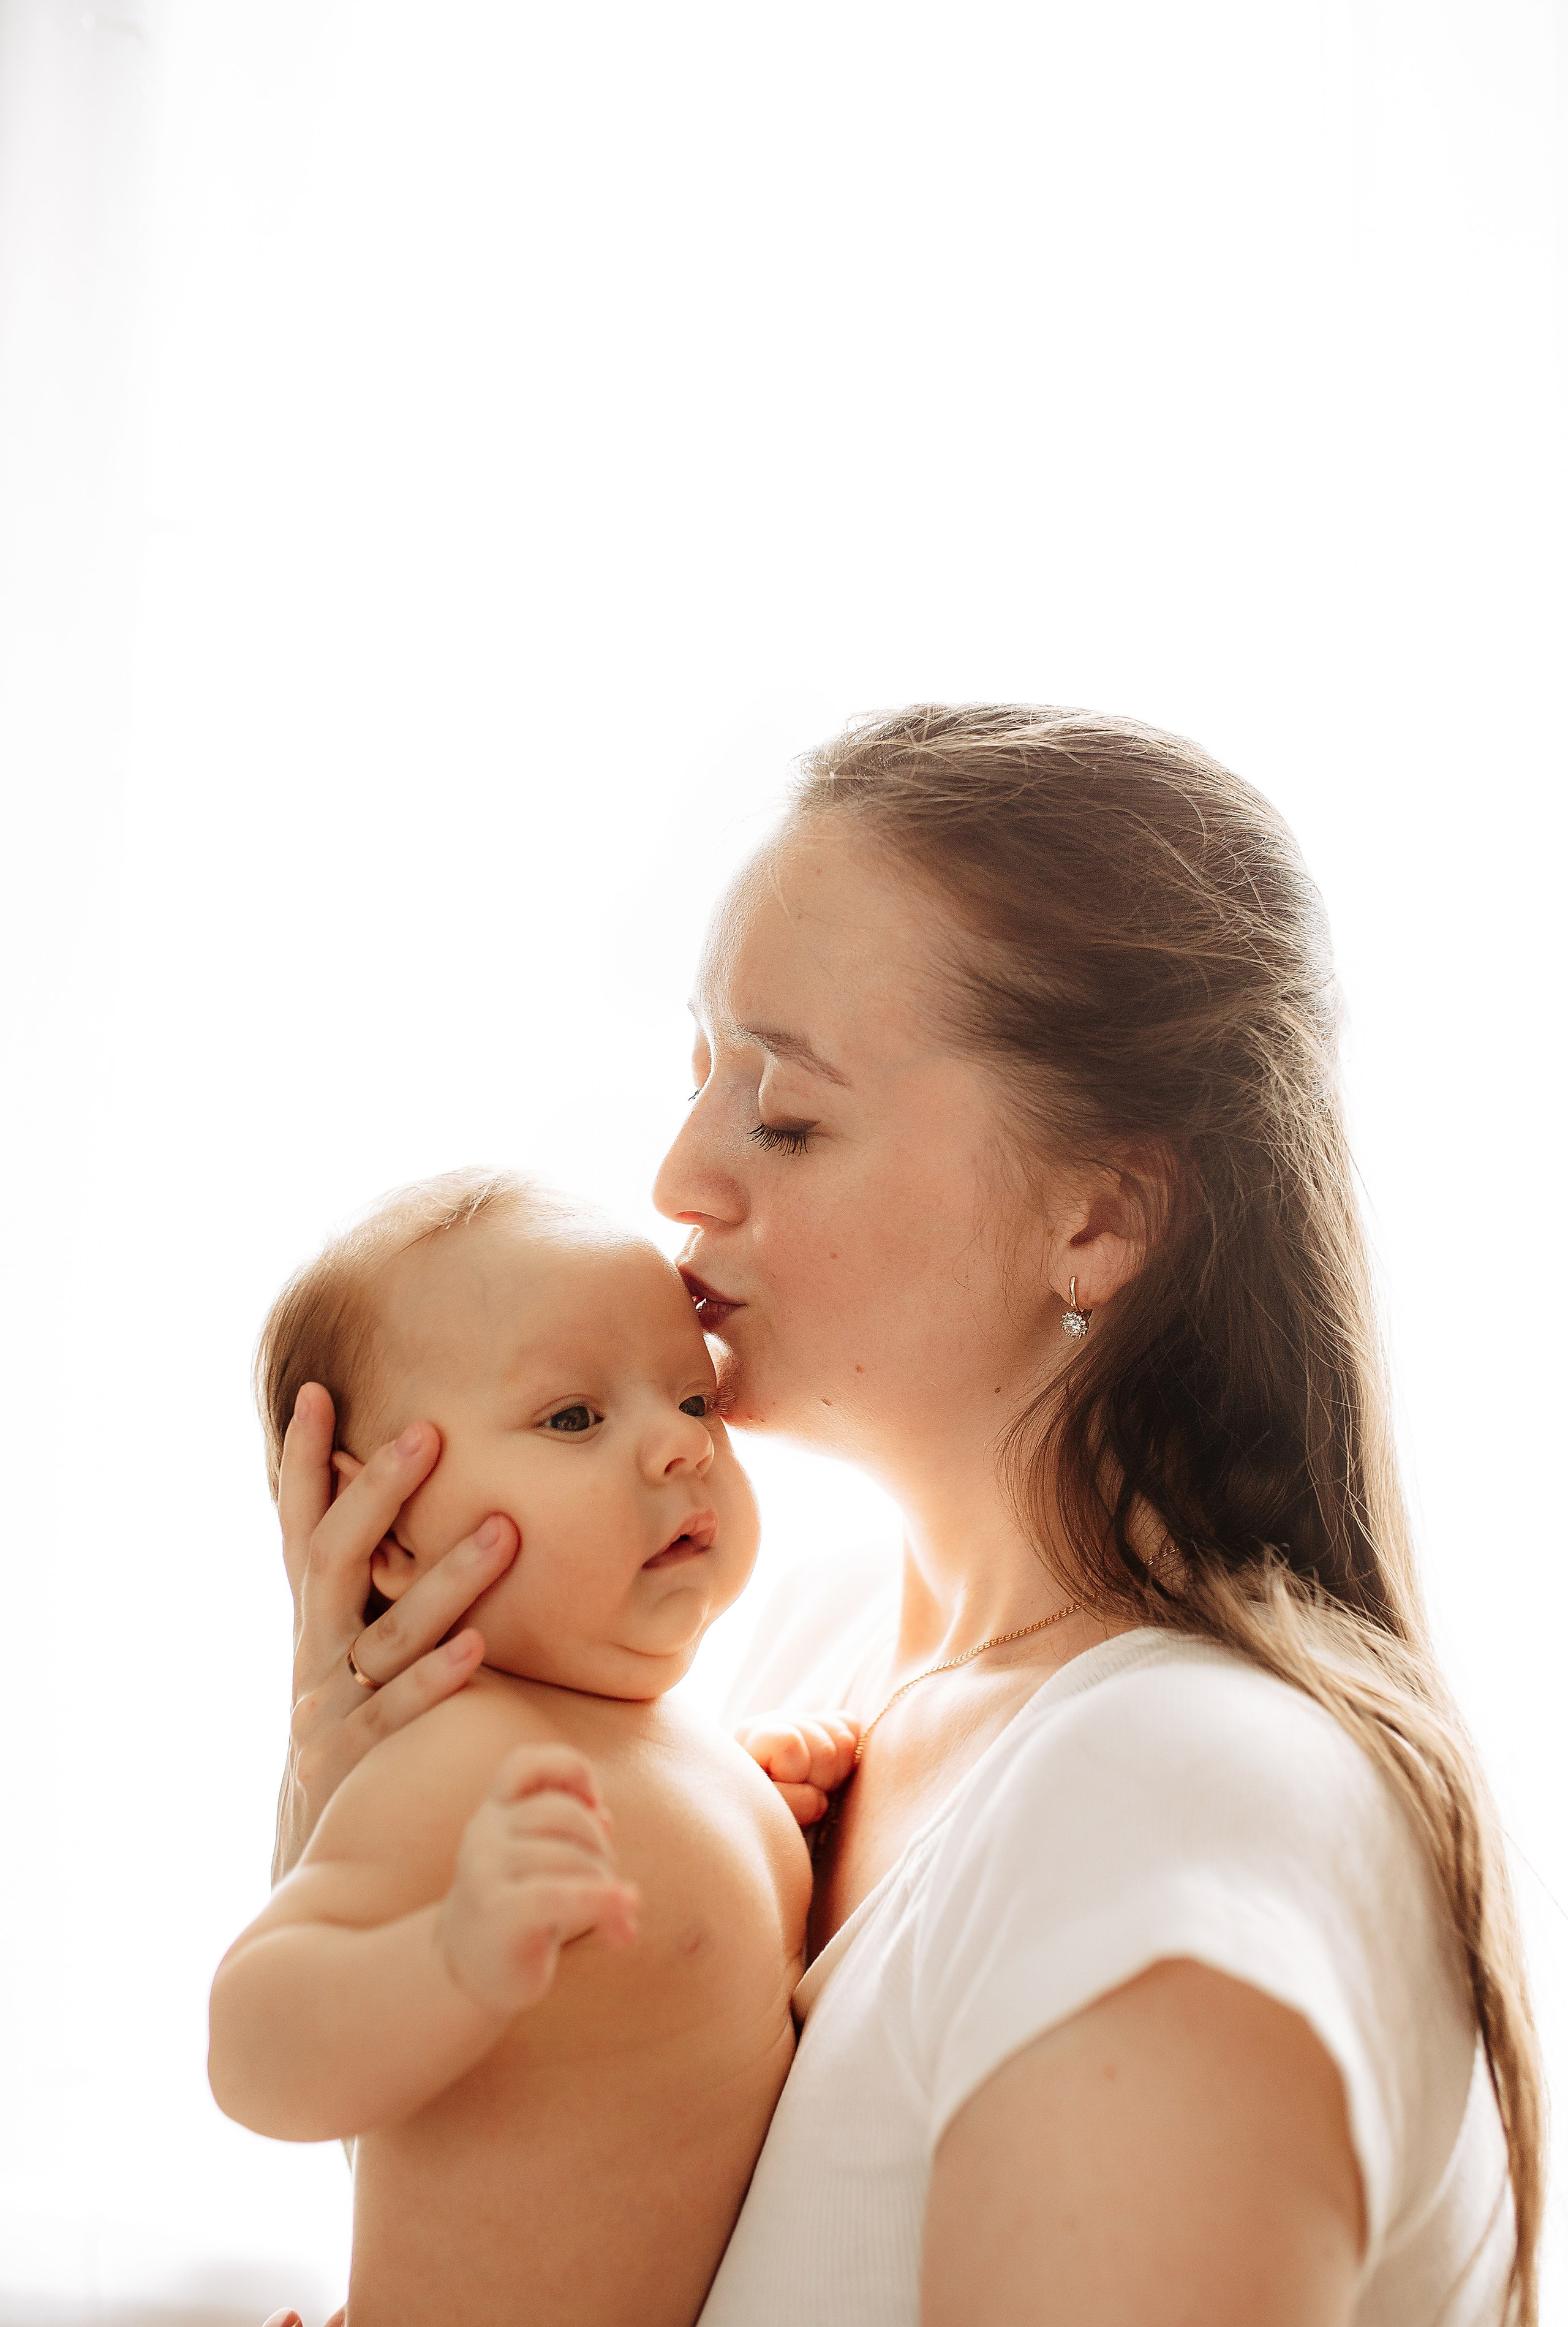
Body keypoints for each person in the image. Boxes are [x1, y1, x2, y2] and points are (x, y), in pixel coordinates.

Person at [262, 706, 1544, 2327]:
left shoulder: (1182, 1806)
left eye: (784, 1114)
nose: (678, 1177)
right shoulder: (805, 1642)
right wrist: (361, 1780)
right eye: (699, 1078)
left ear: (1100, 1217)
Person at [215, 1172, 826, 2326]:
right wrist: (449, 1960)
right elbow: (251, 2046)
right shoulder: (458, 1765)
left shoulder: (665, 1742)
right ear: (390, 1532)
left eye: (694, 1403)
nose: (677, 1449)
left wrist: (764, 1807)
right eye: (573, 1418)